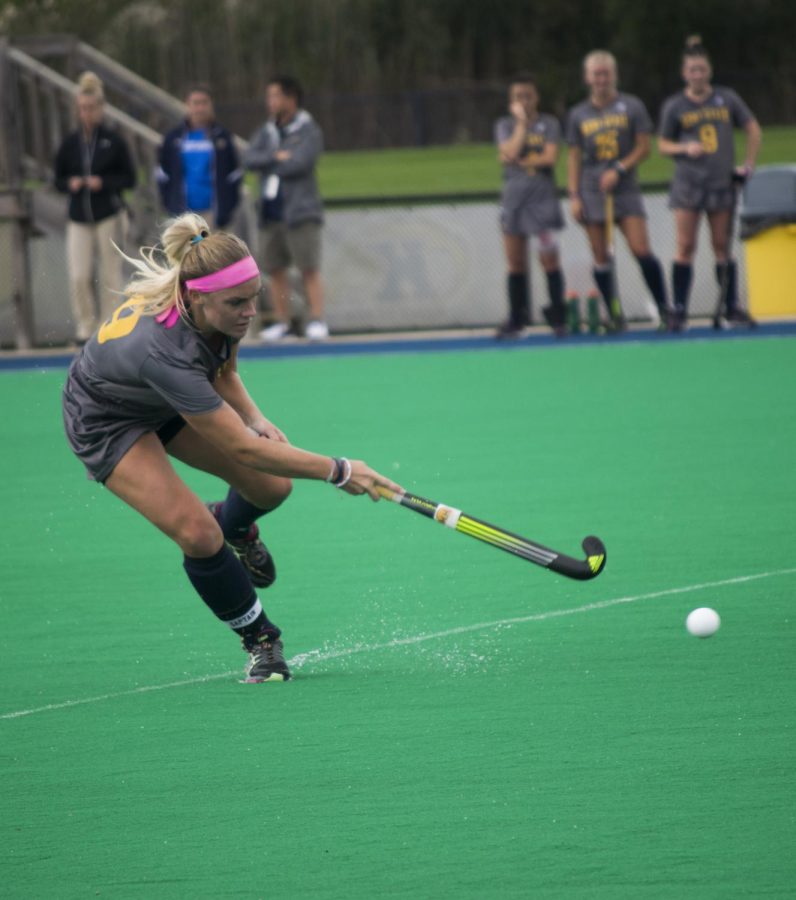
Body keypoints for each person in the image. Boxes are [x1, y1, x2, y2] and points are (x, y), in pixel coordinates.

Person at [61, 213, 401, 683]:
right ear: (198, 298)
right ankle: (262, 641)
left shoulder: (214, 312)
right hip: (107, 421)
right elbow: (244, 450)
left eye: (254, 298)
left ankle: (233, 527)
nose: (249, 312)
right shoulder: (165, 352)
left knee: (273, 487)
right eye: (237, 303)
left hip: (162, 399)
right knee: (198, 535)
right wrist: (340, 470)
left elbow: (222, 370)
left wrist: (256, 417)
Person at [658, 36, 762, 329]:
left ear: (710, 71)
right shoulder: (675, 105)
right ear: (684, 73)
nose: (698, 75)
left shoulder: (726, 98)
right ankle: (678, 309)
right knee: (686, 245)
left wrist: (748, 164)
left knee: (721, 245)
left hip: (721, 184)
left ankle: (730, 307)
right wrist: (684, 148)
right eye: (692, 70)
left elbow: (753, 129)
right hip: (689, 186)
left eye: (702, 69)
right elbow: (663, 145)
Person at [566, 51, 671, 331]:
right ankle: (614, 312)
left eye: (605, 73)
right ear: (587, 78)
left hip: (624, 189)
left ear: (614, 75)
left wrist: (620, 169)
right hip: (592, 190)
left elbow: (644, 147)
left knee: (640, 248)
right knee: (601, 256)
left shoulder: (631, 106)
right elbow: (574, 157)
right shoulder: (578, 114)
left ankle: (665, 308)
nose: (601, 79)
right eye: (596, 74)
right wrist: (574, 196)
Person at [54, 72, 137, 345]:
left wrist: (104, 182)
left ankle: (110, 325)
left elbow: (130, 178)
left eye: (91, 107)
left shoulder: (114, 140)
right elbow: (57, 179)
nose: (87, 113)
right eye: (82, 108)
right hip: (79, 217)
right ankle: (84, 327)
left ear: (100, 108)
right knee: (79, 274)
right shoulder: (70, 144)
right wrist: (72, 183)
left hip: (109, 214)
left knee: (110, 273)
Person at [243, 76, 328, 342]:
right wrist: (275, 157)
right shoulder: (267, 130)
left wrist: (271, 162)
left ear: (291, 99)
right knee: (275, 269)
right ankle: (284, 322)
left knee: (308, 268)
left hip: (300, 212)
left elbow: (299, 163)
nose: (271, 102)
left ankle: (316, 318)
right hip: (270, 212)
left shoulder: (308, 129)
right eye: (269, 97)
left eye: (276, 96)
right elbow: (249, 158)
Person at [494, 73, 568, 339]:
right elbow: (508, 154)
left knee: (549, 258)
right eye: (517, 97)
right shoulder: (504, 125)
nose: (523, 101)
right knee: (515, 262)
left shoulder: (549, 124)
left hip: (542, 200)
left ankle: (558, 315)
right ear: (511, 101)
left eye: (527, 96)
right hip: (514, 200)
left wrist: (523, 162)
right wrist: (522, 126)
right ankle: (517, 317)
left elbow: (549, 158)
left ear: (536, 97)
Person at [157, 84, 242, 229]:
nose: (200, 108)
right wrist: (170, 204)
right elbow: (162, 174)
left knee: (213, 252)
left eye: (204, 103)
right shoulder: (173, 138)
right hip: (183, 213)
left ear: (211, 105)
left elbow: (234, 175)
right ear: (187, 105)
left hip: (213, 213)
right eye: (196, 103)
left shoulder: (222, 137)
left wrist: (227, 209)